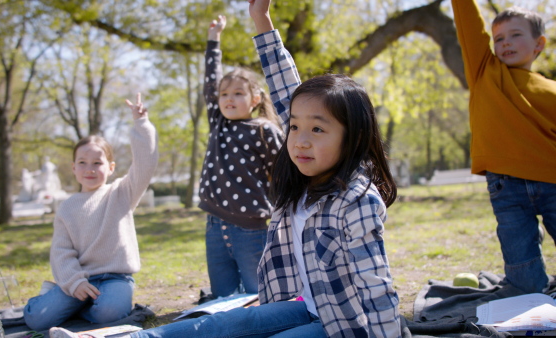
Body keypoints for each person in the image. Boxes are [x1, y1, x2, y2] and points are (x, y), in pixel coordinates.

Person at [128, 1, 401, 336]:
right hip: (307, 308)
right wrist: (261, 19)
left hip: (341, 327)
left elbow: (377, 288)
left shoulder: (357, 200)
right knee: (218, 324)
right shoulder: (305, 181)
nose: (299, 140)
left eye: (317, 130)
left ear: (353, 136)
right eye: (294, 127)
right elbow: (285, 85)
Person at [23, 93, 159, 331]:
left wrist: (141, 123)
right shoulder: (67, 207)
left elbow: (146, 163)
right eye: (83, 163)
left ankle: (85, 308)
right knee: (38, 319)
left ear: (111, 168)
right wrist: (74, 283)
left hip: (116, 279)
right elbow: (61, 251)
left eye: (97, 163)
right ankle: (56, 297)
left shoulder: (122, 192)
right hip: (79, 279)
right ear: (74, 168)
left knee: (110, 312)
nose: (90, 169)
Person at [452, 0, 556, 294]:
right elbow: (469, 25)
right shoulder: (485, 72)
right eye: (499, 38)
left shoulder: (552, 90)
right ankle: (533, 299)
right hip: (506, 187)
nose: (505, 43)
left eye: (515, 35)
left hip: (553, 181)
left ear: (539, 44)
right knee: (524, 279)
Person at [198, 14, 284, 299]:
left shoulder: (264, 130)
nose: (228, 99)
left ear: (255, 99)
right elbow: (210, 82)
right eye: (224, 94)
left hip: (250, 230)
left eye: (238, 93)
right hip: (214, 225)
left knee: (258, 294)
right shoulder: (218, 122)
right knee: (223, 297)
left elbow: (284, 173)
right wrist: (214, 40)